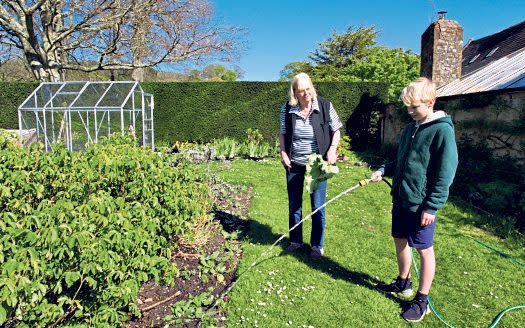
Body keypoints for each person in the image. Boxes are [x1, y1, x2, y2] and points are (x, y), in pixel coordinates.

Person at [371, 77, 458, 322]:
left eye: (415, 107)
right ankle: (403, 282)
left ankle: (422, 300)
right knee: (399, 240)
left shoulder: (441, 129)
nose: (410, 111)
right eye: (407, 107)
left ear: (430, 102)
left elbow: (446, 171)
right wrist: (384, 170)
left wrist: (432, 205)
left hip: (422, 205)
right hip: (401, 198)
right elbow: (402, 161)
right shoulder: (411, 127)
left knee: (424, 249)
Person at [279, 72, 342, 259]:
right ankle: (295, 241)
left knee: (317, 206)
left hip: (317, 165)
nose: (306, 94)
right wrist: (283, 152)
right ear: (294, 93)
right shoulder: (287, 110)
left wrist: (332, 149)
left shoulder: (325, 106)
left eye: (308, 89)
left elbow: (336, 129)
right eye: (301, 91)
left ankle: (317, 246)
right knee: (294, 206)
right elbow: (282, 133)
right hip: (295, 163)